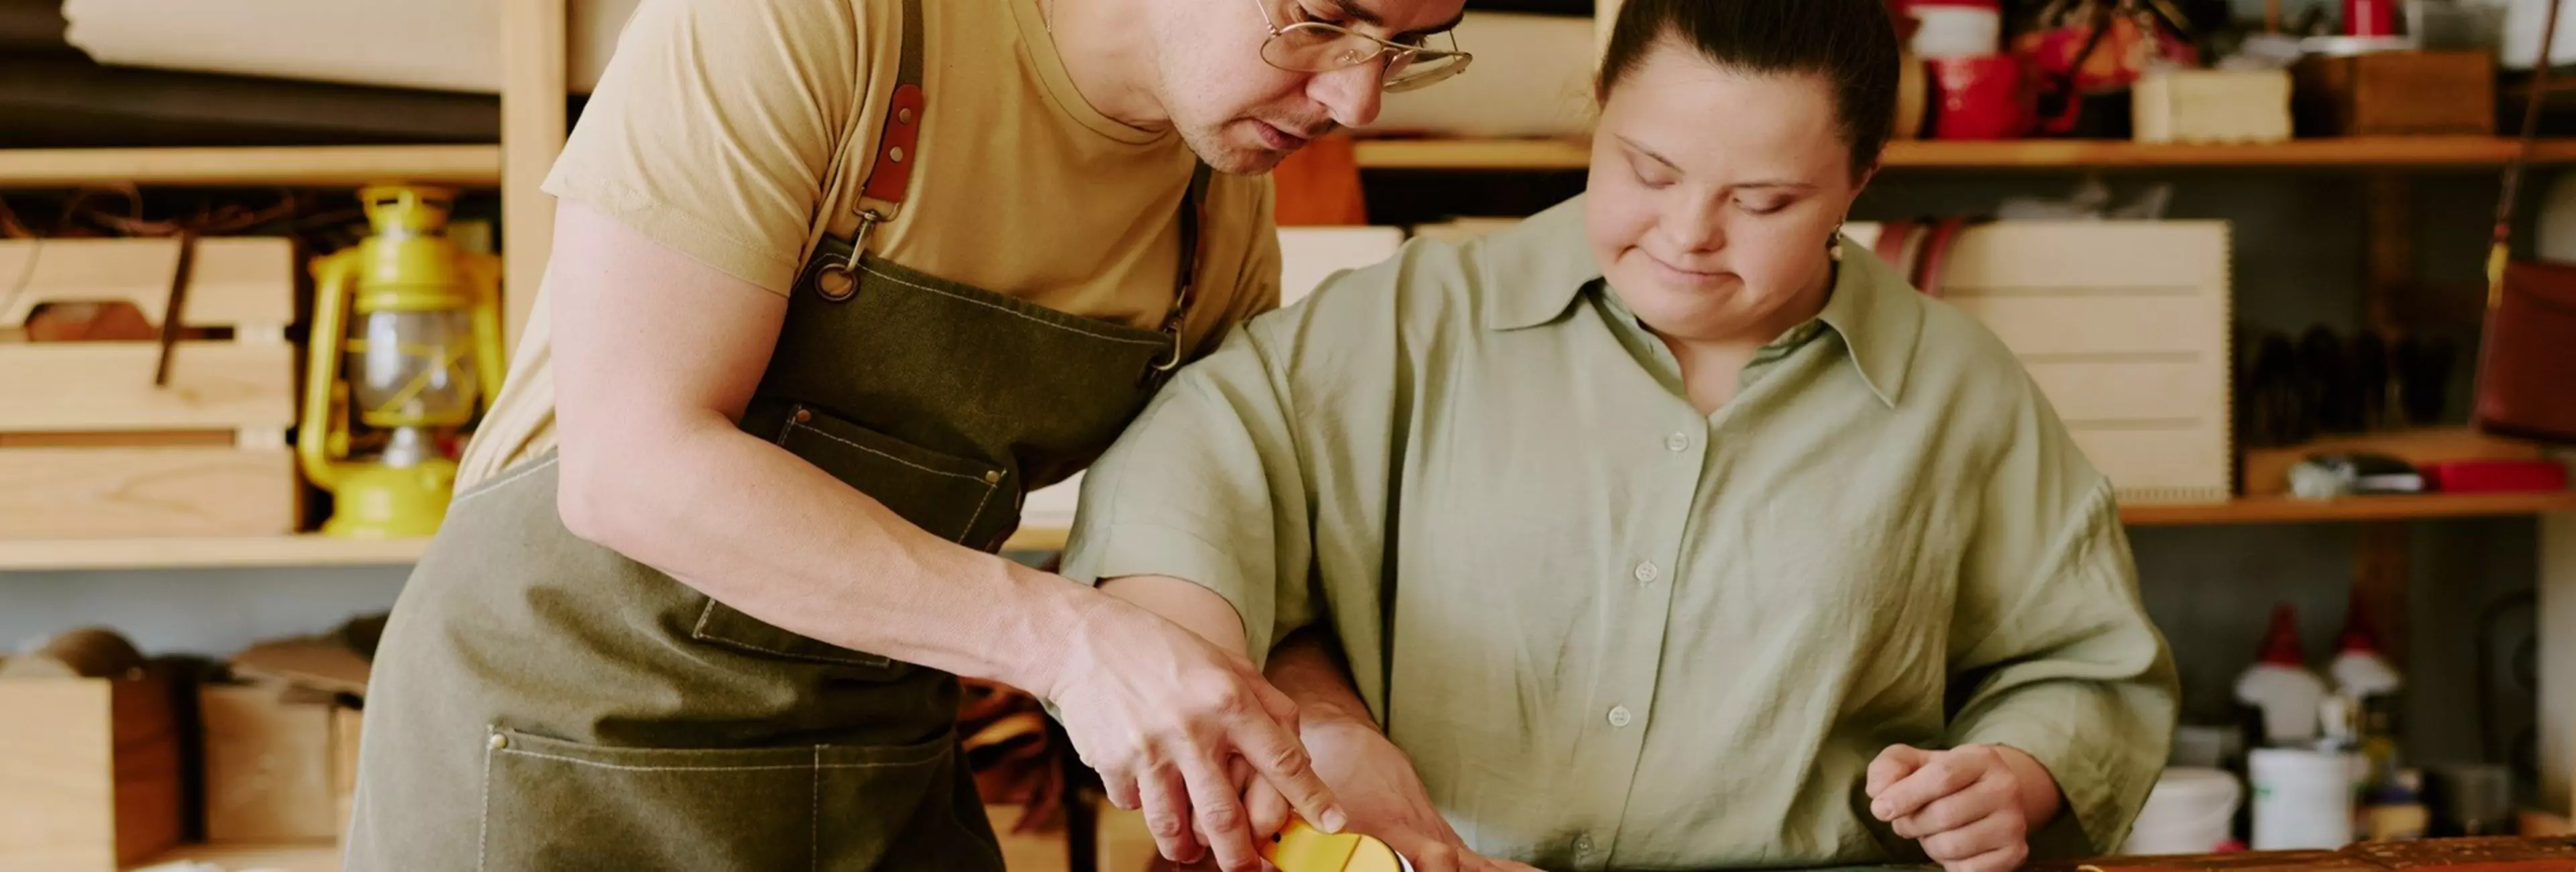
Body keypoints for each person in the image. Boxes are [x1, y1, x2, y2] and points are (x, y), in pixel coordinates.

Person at [342, 0, 1473, 867]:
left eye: (1410, 46)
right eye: (1324, 18)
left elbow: (1223, 531)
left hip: (878, 767)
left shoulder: (1218, 203)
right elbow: (631, 465)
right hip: (556, 755)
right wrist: (1071, 646)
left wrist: (1318, 734)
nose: (1359, 102)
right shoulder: (823, 22)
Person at [1061, 0, 2181, 869]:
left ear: (1860, 181)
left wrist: (2015, 774)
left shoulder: (1959, 393)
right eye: (1649, 170)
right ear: (1598, 110)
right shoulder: (1417, 321)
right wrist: (1238, 689)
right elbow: (1196, 453)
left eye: (1764, 202)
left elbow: (2087, 670)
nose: (1689, 234)